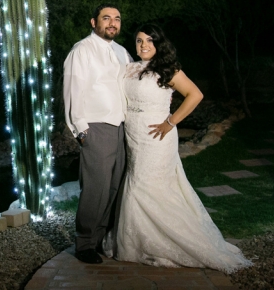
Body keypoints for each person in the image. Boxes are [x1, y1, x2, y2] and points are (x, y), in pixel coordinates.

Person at [104, 24, 253, 272]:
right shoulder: (129, 68)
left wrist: (170, 122)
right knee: (136, 181)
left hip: (157, 136)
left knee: (147, 184)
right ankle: (136, 241)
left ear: (159, 43)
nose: (143, 45)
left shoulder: (168, 69)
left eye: (149, 41)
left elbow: (195, 95)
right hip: (133, 134)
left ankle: (166, 240)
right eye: (139, 41)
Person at [63, 3, 133, 264]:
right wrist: (82, 133)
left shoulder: (122, 51)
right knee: (95, 188)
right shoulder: (82, 50)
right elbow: (72, 92)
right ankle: (84, 244)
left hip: (121, 128)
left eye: (117, 18)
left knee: (114, 186)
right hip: (96, 127)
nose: (112, 23)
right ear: (94, 22)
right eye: (107, 18)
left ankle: (101, 239)